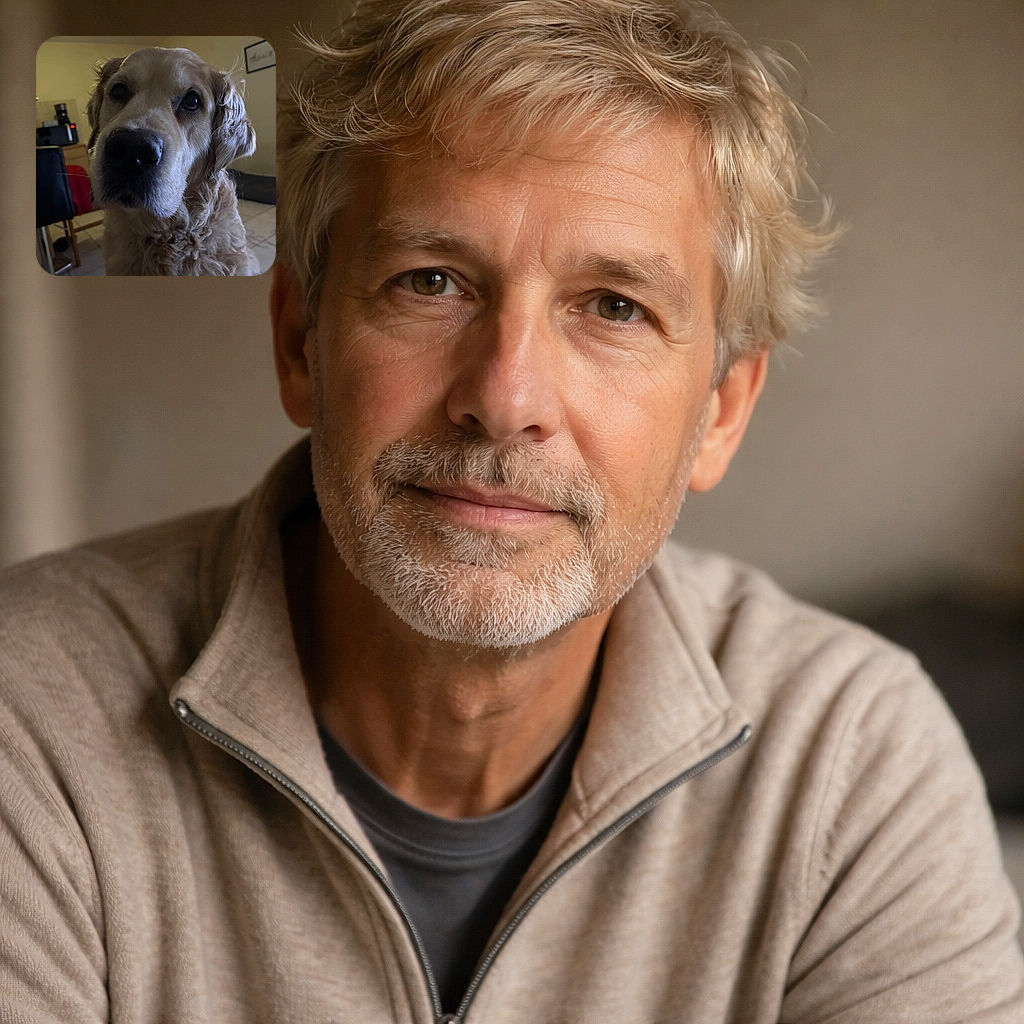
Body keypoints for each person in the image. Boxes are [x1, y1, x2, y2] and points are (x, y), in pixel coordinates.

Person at [2, 0, 1022, 1020]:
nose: (505, 395)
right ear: (299, 342)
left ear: (721, 411)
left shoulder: (854, 764)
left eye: (614, 306)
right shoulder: (31, 710)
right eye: (430, 281)